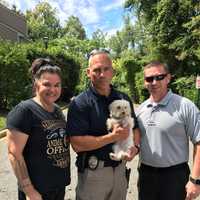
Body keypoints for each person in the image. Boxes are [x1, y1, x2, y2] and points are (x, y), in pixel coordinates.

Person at [66, 49, 140, 200]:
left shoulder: (123, 98)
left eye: (106, 69)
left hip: (120, 171)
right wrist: (112, 137)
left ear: (113, 71)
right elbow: (77, 144)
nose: (102, 74)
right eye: (97, 70)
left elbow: (135, 128)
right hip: (94, 173)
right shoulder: (80, 103)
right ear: (88, 72)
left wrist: (135, 148)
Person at [6, 58, 71, 200]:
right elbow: (14, 154)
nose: (53, 90)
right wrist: (29, 190)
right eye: (47, 84)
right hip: (37, 192)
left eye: (57, 85)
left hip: (58, 187)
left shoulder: (58, 111)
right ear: (36, 84)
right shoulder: (24, 111)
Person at [136, 61, 200, 200]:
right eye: (149, 79)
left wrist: (195, 180)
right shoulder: (140, 109)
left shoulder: (185, 106)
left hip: (175, 177)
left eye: (159, 77)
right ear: (144, 82)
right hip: (146, 176)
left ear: (168, 78)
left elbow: (199, 142)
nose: (154, 82)